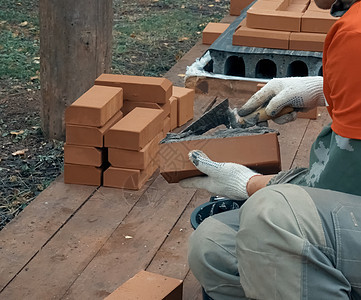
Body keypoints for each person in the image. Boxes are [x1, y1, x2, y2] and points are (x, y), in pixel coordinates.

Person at [179, 0, 361, 298]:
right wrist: (323, 89)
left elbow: (343, 187)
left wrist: (248, 183)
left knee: (273, 216)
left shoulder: (356, 35)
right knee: (212, 246)